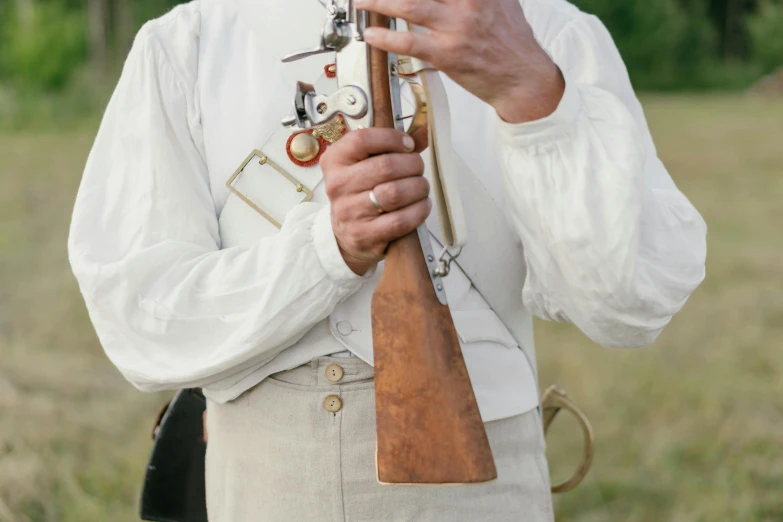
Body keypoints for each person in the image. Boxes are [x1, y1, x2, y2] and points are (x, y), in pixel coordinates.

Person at [67, 0, 707, 520]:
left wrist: (532, 92)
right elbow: (138, 313)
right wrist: (327, 250)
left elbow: (631, 306)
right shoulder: (191, 43)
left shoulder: (549, 34)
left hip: (493, 479)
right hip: (275, 479)